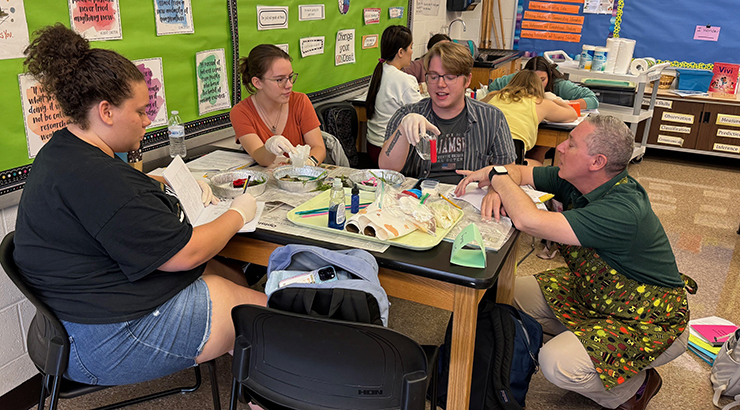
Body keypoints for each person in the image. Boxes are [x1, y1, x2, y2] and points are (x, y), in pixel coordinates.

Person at [14, 24, 267, 386]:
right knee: (262, 316)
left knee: (229, 276)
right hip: (100, 342)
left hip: (69, 325)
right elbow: (186, 254)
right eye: (140, 111)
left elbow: (112, 199)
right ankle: (268, 391)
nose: (148, 121)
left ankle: (252, 374)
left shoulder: (65, 151)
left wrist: (157, 181)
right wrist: (240, 210)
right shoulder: (95, 176)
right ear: (106, 111)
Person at [455, 115, 689, 410]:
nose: (561, 147)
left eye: (572, 144)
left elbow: (529, 219)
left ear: (597, 161)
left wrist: (498, 180)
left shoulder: (622, 210)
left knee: (556, 363)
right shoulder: (577, 181)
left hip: (647, 318)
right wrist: (496, 184)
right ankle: (586, 345)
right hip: (592, 294)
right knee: (500, 293)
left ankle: (635, 388)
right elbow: (521, 171)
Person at [378, 41, 516, 184]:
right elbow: (387, 168)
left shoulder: (492, 118)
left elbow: (509, 173)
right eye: (433, 76)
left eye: (450, 77)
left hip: (469, 199)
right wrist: (403, 129)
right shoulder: (406, 115)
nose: (440, 84)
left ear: (467, 80)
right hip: (418, 200)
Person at [230, 44, 325, 167]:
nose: (289, 85)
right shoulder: (240, 112)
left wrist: (309, 162)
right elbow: (262, 159)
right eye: (279, 80)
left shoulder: (300, 101)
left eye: (290, 77)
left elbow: (318, 147)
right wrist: (269, 147)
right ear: (257, 82)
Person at [484, 70, 578, 165]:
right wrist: (554, 99)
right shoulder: (540, 103)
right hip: (510, 156)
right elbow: (573, 114)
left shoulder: (494, 96)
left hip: (482, 152)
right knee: (538, 165)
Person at [365, 25, 423, 165]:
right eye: (410, 47)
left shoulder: (379, 72)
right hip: (388, 151)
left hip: (372, 147)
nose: (412, 51)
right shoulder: (404, 79)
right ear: (400, 52)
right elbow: (422, 114)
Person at [489, 56, 599, 110]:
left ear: (549, 75)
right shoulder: (519, 78)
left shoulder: (559, 85)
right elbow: (493, 87)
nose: (537, 85)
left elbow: (593, 100)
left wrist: (562, 104)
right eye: (533, 80)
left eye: (542, 80)